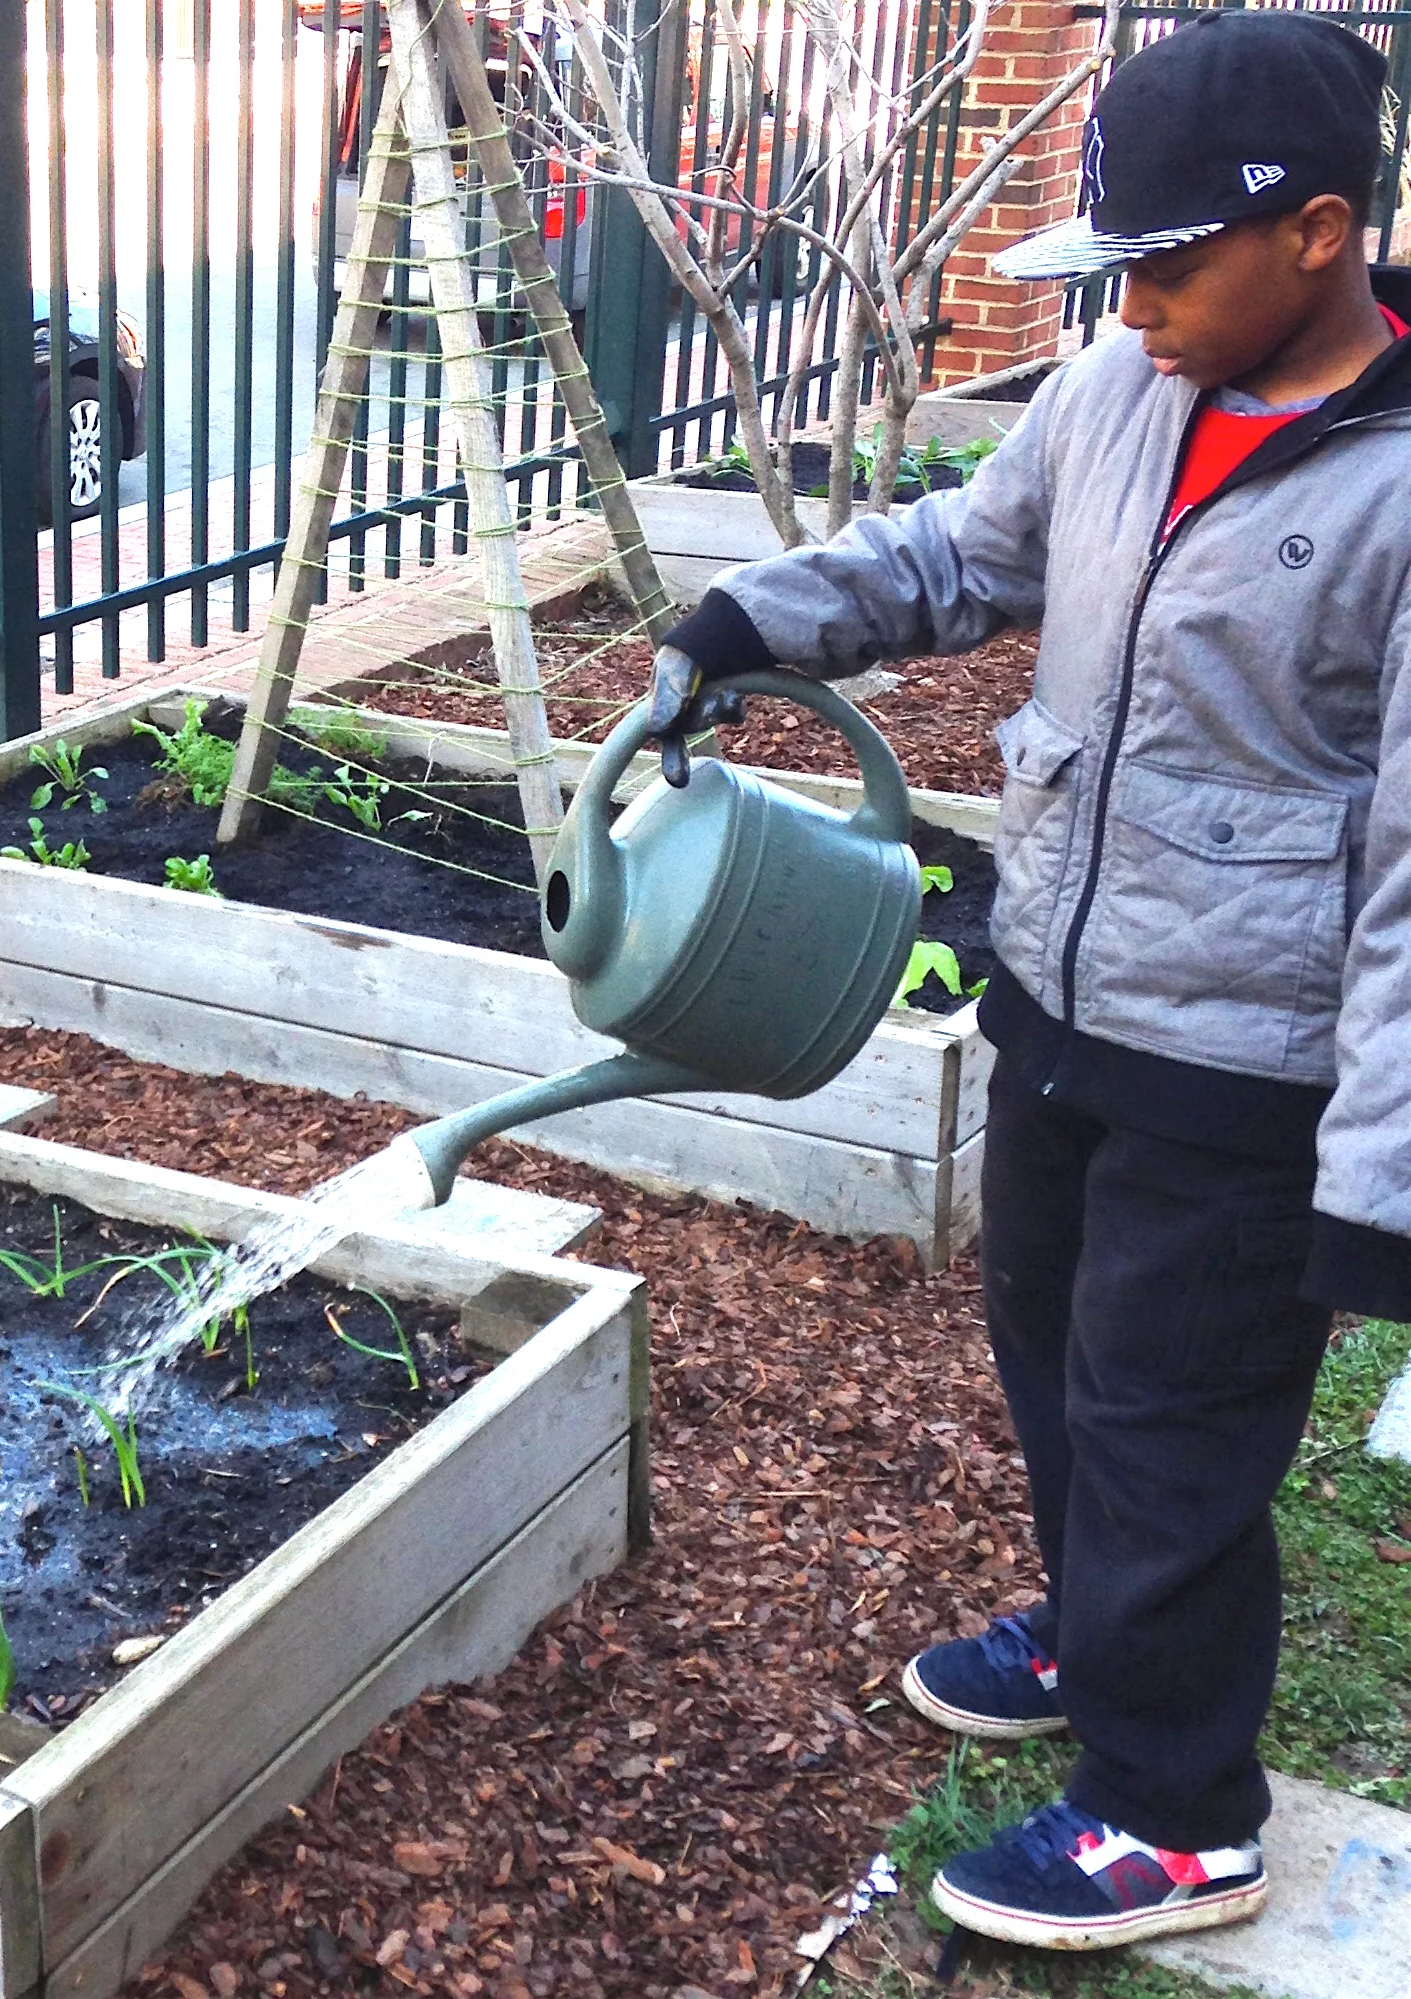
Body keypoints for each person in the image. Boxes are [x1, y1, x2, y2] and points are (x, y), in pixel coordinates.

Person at [645, 8, 1411, 1954]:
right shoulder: (1117, 395)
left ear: (1317, 231)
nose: (1135, 306)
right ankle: (1098, 1637)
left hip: (1248, 1066)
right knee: (1058, 1350)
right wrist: (750, 616)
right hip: (1060, 998)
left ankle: (1174, 1819)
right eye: (1118, 267)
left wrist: (1381, 1190)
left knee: (1173, 1416)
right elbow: (948, 562)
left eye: (1170, 264)